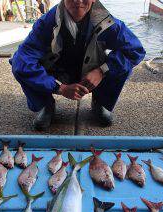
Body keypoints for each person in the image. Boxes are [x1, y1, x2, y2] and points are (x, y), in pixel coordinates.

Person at [10, 0, 146, 131]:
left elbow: (135, 50)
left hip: (91, 71)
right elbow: (22, 59)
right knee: (18, 63)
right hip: (57, 70)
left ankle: (101, 102)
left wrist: (101, 71)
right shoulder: (47, 22)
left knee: (122, 66)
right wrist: (59, 88)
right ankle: (45, 104)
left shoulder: (107, 22)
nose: (77, 0)